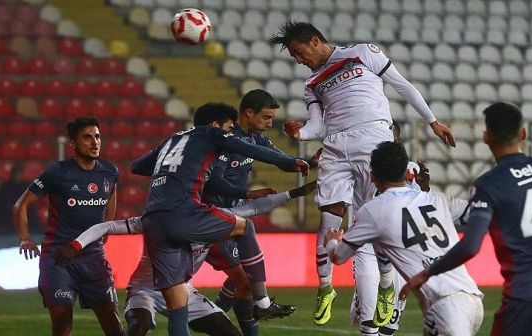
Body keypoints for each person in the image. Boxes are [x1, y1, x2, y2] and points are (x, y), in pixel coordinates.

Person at [268, 20, 456, 327]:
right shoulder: (312, 83)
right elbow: (317, 126)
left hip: (373, 138)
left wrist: (433, 121)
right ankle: (325, 287)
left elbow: (401, 84)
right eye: (294, 57)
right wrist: (300, 134)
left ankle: (385, 284)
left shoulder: (362, 52)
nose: (299, 60)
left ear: (315, 41)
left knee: (375, 214)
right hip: (336, 145)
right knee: (328, 216)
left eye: (299, 53)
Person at [400, 102, 532, 336]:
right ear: (523, 133)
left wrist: (427, 273)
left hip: (526, 299)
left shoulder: (489, 185)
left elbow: (471, 246)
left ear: (486, 137)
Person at [53, 180, 316, 336]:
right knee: (139, 327)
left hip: (184, 291)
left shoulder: (214, 219)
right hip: (146, 289)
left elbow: (253, 208)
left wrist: (294, 193)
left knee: (228, 333)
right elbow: (107, 226)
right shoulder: (159, 219)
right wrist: (76, 245)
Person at [137, 102, 308, 336]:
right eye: (228, 128)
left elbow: (138, 166)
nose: (229, 132)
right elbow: (248, 149)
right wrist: (288, 162)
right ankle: (263, 303)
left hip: (152, 220)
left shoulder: (172, 139)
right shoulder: (211, 133)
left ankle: (240, 304)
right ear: (216, 125)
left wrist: (174, 171)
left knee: (178, 308)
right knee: (244, 226)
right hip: (185, 212)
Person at [324, 141, 483, 336]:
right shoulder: (437, 199)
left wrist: (331, 240)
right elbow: (478, 212)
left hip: (444, 307)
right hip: (472, 298)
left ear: (372, 175)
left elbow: (338, 257)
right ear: (405, 171)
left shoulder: (373, 211)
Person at [202, 89, 308, 319]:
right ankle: (216, 314)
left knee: (245, 278)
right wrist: (248, 194)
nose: (270, 123)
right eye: (266, 117)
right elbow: (213, 182)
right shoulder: (227, 140)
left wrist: (310, 162)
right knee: (246, 278)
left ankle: (216, 312)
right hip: (214, 213)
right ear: (249, 113)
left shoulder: (255, 138)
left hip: (235, 213)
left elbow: (281, 159)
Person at [12, 117, 123, 336]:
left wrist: (105, 229)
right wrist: (25, 237)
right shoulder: (57, 173)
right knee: (62, 324)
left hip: (93, 259)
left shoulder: (110, 172)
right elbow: (21, 205)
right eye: (87, 137)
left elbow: (111, 198)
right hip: (59, 259)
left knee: (112, 323)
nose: (94, 142)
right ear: (72, 144)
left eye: (97, 137)